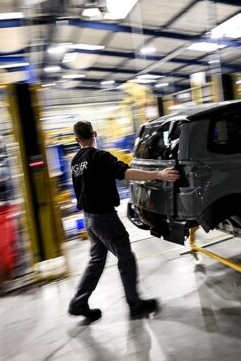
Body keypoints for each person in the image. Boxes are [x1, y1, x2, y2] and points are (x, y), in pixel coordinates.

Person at [68, 120, 179, 322]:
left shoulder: (75, 162)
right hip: (104, 218)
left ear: (76, 140)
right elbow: (127, 173)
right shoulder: (99, 156)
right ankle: (135, 304)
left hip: (89, 220)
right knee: (125, 257)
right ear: (95, 133)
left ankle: (79, 302)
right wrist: (159, 174)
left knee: (96, 260)